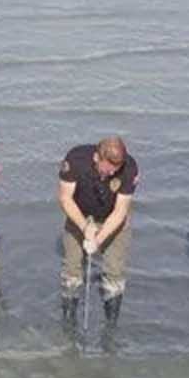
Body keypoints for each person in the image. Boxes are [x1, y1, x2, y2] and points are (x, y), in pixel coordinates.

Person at [57, 136, 137, 327]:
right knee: (71, 270)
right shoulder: (75, 160)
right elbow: (65, 199)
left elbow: (120, 212)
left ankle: (110, 325)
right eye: (107, 168)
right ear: (96, 158)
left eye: (115, 170)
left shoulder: (130, 167)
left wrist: (98, 240)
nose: (111, 173)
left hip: (112, 217)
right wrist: (85, 227)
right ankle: (69, 322)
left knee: (115, 273)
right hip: (80, 214)